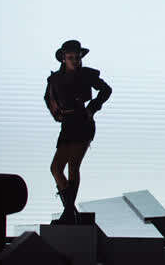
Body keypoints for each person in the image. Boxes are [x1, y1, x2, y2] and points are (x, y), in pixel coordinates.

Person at [44, 39, 112, 224]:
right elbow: (48, 97)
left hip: (82, 121)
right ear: (63, 59)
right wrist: (56, 114)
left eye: (77, 57)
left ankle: (68, 213)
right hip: (67, 124)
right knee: (56, 168)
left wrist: (92, 107)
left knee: (73, 166)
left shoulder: (86, 74)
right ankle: (70, 211)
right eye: (71, 57)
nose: (75, 60)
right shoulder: (55, 79)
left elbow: (106, 90)